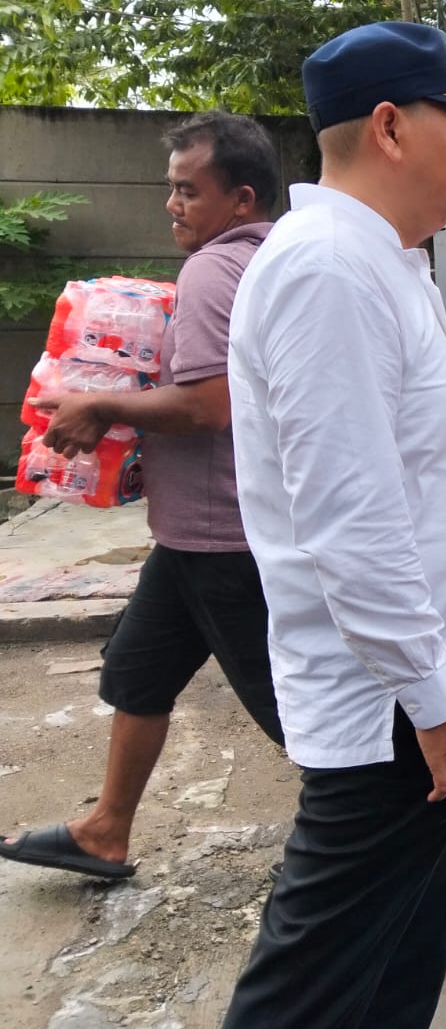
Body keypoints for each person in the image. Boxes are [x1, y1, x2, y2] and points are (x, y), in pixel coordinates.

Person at [217, 22, 446, 1029]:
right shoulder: (327, 273)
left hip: (438, 694)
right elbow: (350, 520)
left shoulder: (382, 260)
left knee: (397, 963)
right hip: (398, 716)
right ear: (391, 127)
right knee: (311, 992)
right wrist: (433, 693)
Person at [0, 113, 284, 881]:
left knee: (295, 715)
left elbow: (205, 406)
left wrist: (104, 408)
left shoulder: (214, 271)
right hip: (197, 530)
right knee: (139, 670)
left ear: (241, 197)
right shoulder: (275, 260)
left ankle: (384, 827)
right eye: (171, 190)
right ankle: (105, 829)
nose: (172, 206)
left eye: (188, 191)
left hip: (222, 538)